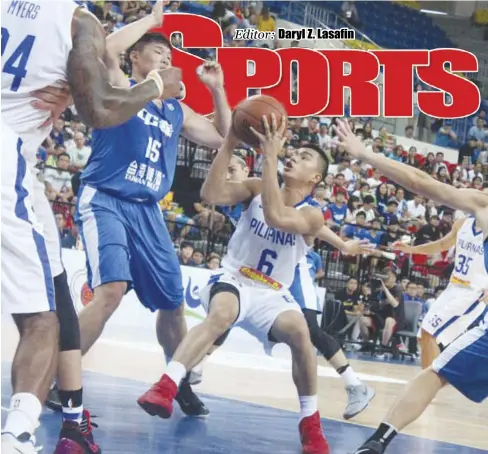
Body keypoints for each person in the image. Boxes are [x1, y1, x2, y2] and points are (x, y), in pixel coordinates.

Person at [2, 1, 177, 452]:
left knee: (60, 296)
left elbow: (102, 46)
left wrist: (150, 23)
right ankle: (19, 434)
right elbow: (98, 105)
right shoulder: (75, 21)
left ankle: (74, 422)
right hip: (13, 165)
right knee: (43, 321)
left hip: (26, 175)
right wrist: (157, 85)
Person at [138, 115, 331, 453]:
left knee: (301, 334)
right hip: (235, 278)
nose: (294, 156)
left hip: (272, 292)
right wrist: (229, 144)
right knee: (221, 314)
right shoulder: (256, 187)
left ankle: (310, 423)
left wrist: (270, 157)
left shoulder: (314, 215)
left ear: (315, 178)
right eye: (294, 152)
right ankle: (166, 386)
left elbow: (278, 217)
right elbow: (210, 193)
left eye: (304, 158)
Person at [74, 13, 231, 419]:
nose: (165, 59)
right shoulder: (122, 86)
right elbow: (107, 47)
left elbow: (220, 136)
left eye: (169, 55)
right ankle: (64, 379)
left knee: (173, 303)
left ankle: (176, 381)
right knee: (109, 292)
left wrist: (217, 90)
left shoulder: (176, 110)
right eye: (156, 53)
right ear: (137, 59)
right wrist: (154, 20)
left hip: (148, 210)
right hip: (107, 198)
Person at [332, 119, 488, 454]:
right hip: (465, 296)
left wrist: (367, 154)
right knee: (433, 370)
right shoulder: (477, 210)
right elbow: (423, 182)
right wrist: (367, 155)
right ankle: (378, 441)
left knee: (433, 367)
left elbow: (423, 182)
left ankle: (378, 441)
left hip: (473, 293)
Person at [394, 215, 487, 369]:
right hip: (453, 286)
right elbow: (442, 244)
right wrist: (412, 249)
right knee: (423, 337)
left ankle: (429, 385)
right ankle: (427, 385)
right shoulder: (462, 223)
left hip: (474, 292)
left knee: (429, 333)